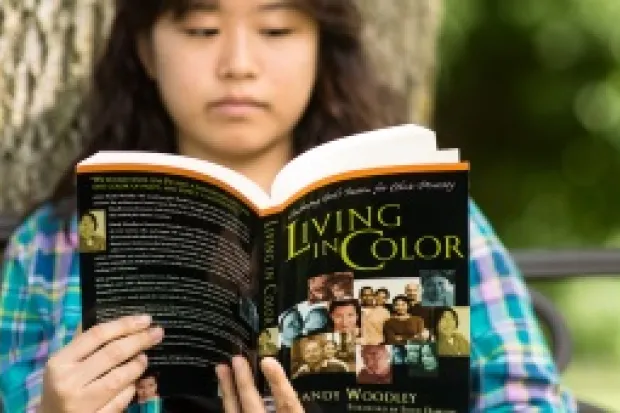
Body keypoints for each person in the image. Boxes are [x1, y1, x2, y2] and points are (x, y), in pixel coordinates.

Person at [0, 0, 576, 412]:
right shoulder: (53, 245)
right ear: (147, 52)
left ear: (320, 49)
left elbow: (527, 397)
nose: (238, 63)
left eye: (276, 29)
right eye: (201, 29)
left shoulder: (434, 215)